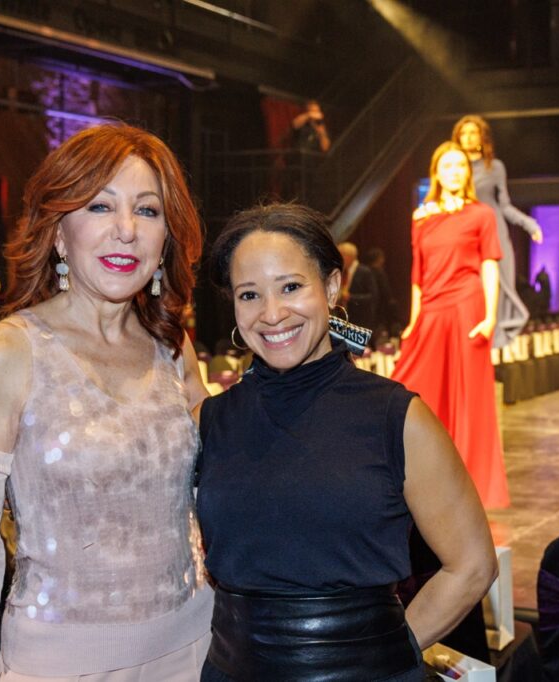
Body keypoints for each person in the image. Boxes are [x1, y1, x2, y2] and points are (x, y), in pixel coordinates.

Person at [0, 123, 213, 682]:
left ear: (166, 239)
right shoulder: (5, 352)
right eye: (99, 206)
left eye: (147, 210)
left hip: (195, 649)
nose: (125, 230)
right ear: (59, 233)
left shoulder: (172, 348)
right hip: (59, 664)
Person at [197, 202, 497, 681]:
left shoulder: (396, 417)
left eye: (291, 287)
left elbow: (473, 565)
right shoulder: (213, 420)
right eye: (249, 295)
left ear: (332, 286)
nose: (272, 314)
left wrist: (381, 657)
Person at [392, 141, 509, 509]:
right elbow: (417, 273)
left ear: (468, 173)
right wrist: (414, 320)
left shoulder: (481, 215)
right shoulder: (422, 217)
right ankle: (420, 475)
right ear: (436, 174)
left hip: (466, 307)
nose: (455, 172)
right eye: (447, 166)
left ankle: (471, 484)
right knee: (413, 387)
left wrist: (490, 316)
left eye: (460, 166)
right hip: (432, 308)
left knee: (469, 398)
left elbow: (490, 265)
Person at [453, 114, 543, 348]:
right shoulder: (454, 167)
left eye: (473, 133)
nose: (468, 137)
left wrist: (529, 224)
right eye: (463, 133)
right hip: (464, 231)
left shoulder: (494, 167)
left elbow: (504, 205)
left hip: (493, 228)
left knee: (499, 285)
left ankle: (494, 347)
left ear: (482, 137)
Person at [337, 241, 379, 331]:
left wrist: (351, 297)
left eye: (341, 255)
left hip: (361, 319)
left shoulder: (364, 271)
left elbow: (373, 296)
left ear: (349, 256)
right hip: (345, 317)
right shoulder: (342, 271)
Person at [365, 246, 401, 340]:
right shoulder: (379, 272)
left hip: (370, 306)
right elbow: (385, 290)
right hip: (381, 307)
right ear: (378, 258)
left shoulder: (366, 271)